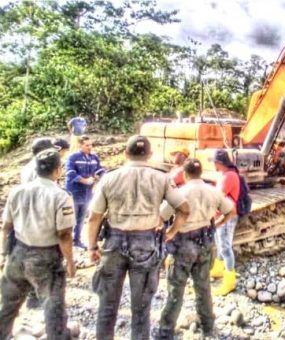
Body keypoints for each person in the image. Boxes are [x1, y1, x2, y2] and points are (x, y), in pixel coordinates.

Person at [87, 135, 190, 340]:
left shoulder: (109, 178)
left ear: (126, 153)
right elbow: (184, 209)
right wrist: (170, 232)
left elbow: (94, 217)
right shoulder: (161, 178)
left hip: (113, 244)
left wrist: (92, 247)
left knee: (107, 307)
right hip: (146, 243)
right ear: (150, 155)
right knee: (141, 309)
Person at [154, 158, 236, 339]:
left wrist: (168, 233)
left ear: (185, 173)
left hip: (183, 244)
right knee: (203, 286)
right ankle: (208, 326)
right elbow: (231, 211)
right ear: (201, 173)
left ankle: (166, 331)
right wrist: (218, 224)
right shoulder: (213, 191)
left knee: (176, 288)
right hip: (205, 242)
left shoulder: (180, 193)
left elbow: (161, 216)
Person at [0, 148, 76, 340]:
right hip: (46, 258)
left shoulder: (17, 191)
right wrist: (71, 262)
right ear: (58, 170)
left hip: (17, 253)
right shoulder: (61, 196)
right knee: (53, 307)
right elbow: (64, 235)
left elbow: (6, 226)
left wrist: (3, 253)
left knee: (7, 304)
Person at [208, 149, 240, 296]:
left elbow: (218, 197)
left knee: (225, 247)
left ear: (219, 163)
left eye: (214, 162)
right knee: (220, 243)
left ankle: (229, 280)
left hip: (226, 216)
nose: (213, 165)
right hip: (221, 215)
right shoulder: (225, 174)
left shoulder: (228, 177)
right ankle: (219, 268)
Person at [65, 135, 105, 249]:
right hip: (74, 192)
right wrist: (84, 180)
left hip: (87, 193)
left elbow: (99, 169)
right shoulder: (73, 157)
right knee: (71, 217)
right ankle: (67, 242)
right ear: (80, 145)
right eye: (87, 145)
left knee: (82, 218)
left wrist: (105, 178)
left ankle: (77, 240)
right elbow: (70, 173)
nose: (89, 147)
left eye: (91, 145)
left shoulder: (94, 157)